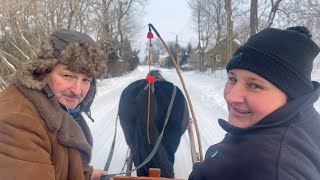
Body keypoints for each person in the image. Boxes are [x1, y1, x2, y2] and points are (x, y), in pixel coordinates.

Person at [188, 26, 320, 179]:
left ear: (291, 94)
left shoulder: (271, 168)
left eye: (254, 85)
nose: (231, 97)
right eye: (232, 79)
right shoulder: (302, 121)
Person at [0, 29, 108, 180]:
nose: (77, 90)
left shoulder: (53, 102)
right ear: (43, 70)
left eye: (86, 80)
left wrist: (86, 174)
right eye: (67, 76)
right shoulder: (18, 120)